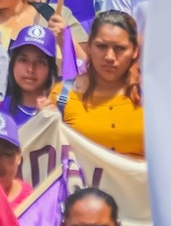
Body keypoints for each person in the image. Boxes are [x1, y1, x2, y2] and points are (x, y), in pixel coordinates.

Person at [60, 10, 143, 157]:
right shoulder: (61, 97)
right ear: (89, 47)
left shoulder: (153, 98)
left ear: (135, 51)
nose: (109, 57)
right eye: (101, 46)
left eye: (120, 48)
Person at [0, 24, 60, 126]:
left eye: (40, 62)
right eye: (23, 60)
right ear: (12, 63)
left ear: (51, 69)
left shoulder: (62, 112)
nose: (30, 69)